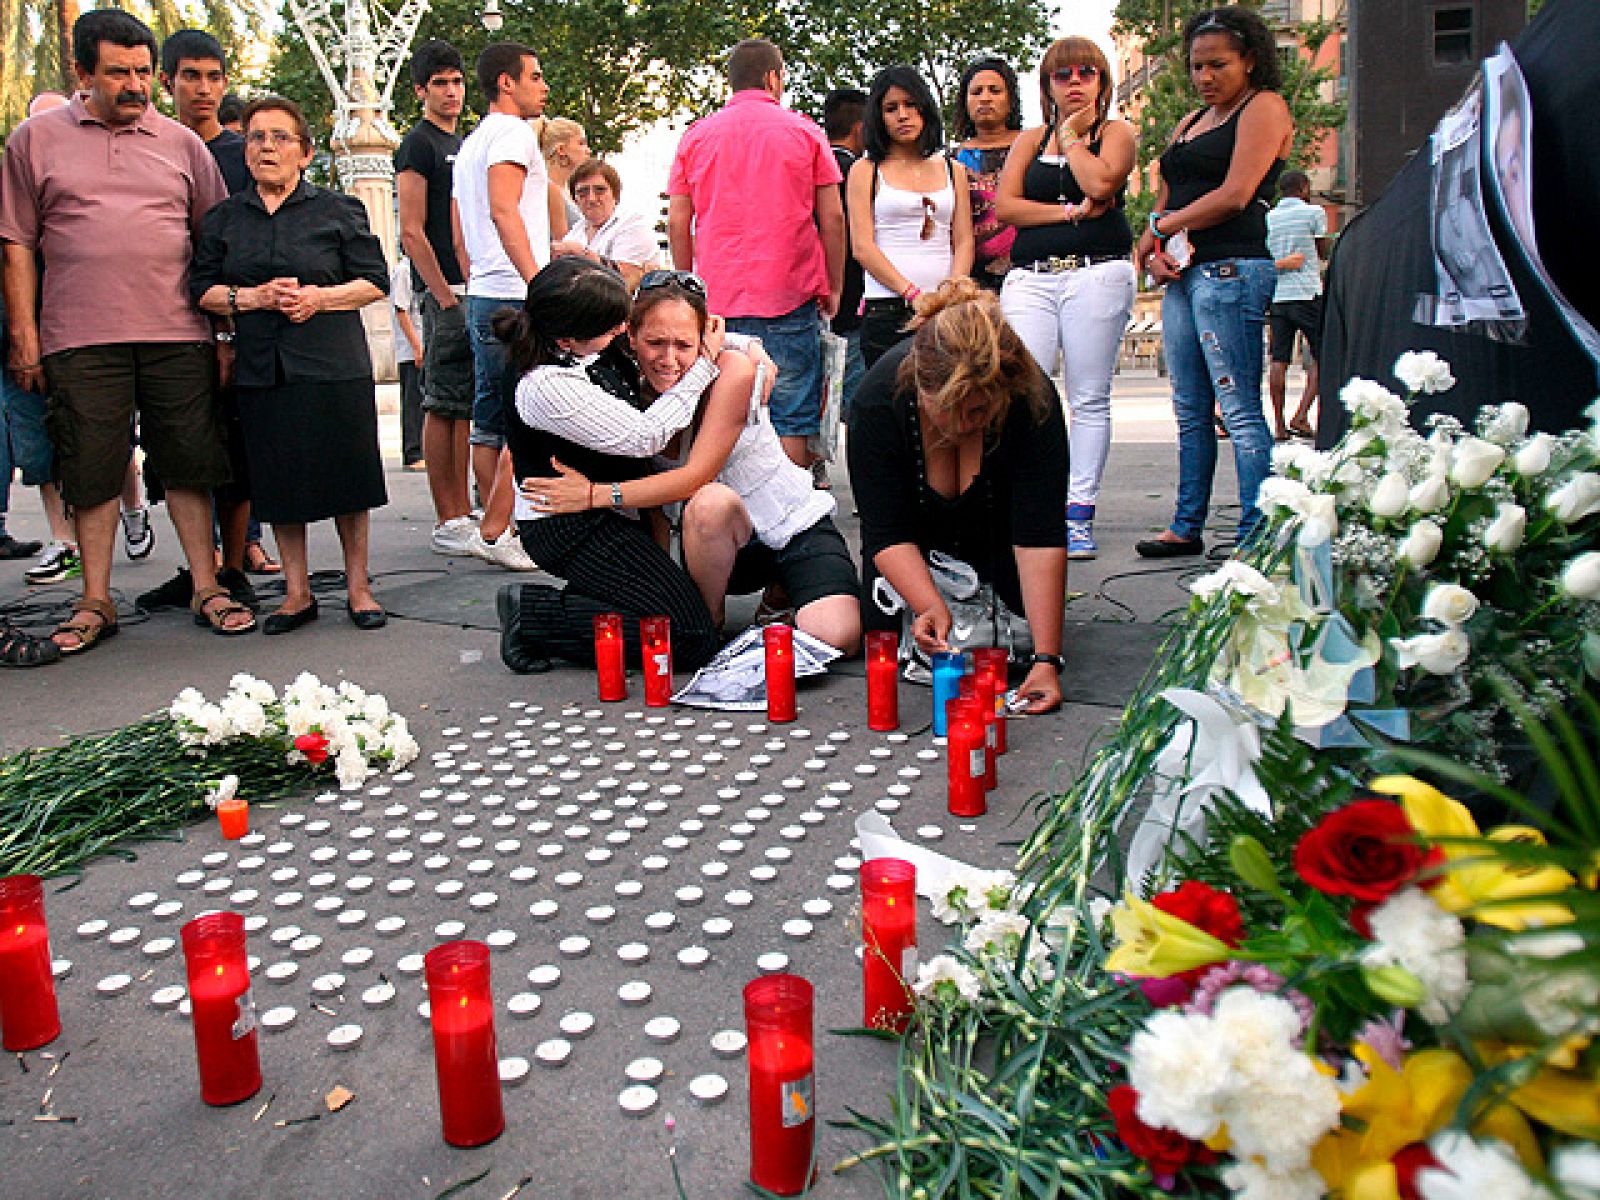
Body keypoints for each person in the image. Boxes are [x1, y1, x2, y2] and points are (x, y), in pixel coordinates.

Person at [0, 9, 239, 652]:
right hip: (79, 335)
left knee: (190, 462)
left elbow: (212, 244)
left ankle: (207, 585)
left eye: (142, 72)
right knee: (92, 468)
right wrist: (23, 335)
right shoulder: (34, 140)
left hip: (178, 333)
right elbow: (16, 242)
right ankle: (96, 600)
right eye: (118, 73)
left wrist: (223, 334)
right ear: (83, 74)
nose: (135, 85)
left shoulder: (182, 144)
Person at [520, 270, 862, 653]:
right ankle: (708, 625)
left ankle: (779, 594)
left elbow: (694, 476)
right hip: (717, 543)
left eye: (684, 345)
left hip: (790, 525)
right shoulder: (622, 379)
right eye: (655, 343)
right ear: (629, 337)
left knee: (837, 637)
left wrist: (593, 494)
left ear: (704, 341)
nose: (668, 359)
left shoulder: (732, 370)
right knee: (710, 507)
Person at [190, 96, 391, 634]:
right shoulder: (225, 219)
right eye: (257, 137)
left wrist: (319, 298)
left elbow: (375, 281)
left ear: (304, 152)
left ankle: (358, 587)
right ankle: (296, 592)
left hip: (333, 362)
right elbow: (201, 289)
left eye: (281, 137)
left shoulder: (338, 210)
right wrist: (252, 298)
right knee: (278, 480)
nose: (267, 147)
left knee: (349, 476)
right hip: (263, 366)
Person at [491, 258, 728, 674]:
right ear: (568, 338)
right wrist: (706, 364)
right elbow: (645, 436)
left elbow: (676, 334)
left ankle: (587, 604)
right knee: (690, 639)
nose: (623, 329)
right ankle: (534, 614)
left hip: (605, 510)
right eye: (613, 325)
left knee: (677, 618)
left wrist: (748, 351)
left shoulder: (589, 344)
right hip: (569, 525)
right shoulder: (543, 384)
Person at [848, 278, 1068, 714]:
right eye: (951, 409)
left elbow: (1039, 534)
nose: (966, 424)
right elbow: (886, 531)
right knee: (889, 634)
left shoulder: (1032, 398)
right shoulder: (877, 401)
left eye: (981, 409)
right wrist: (928, 604)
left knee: (1014, 643)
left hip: (1000, 556)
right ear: (920, 387)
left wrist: (1047, 659)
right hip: (910, 560)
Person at [1134, 5, 1292, 557]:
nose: (1205, 77)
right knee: (1190, 406)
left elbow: (1236, 194)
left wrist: (1163, 228)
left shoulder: (1263, 107)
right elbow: (1165, 196)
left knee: (1239, 407)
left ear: (1249, 60)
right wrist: (1153, 249)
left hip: (1232, 267)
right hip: (1183, 273)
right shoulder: (1189, 122)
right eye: (1197, 66)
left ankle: (1257, 533)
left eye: (1217, 65)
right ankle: (1186, 524)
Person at [145, 27, 278, 608]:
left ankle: (235, 561)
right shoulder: (152, 144)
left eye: (214, 77)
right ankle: (200, 568)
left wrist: (230, 327)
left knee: (236, 445)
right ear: (166, 81)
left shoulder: (240, 155)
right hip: (164, 319)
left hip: (234, 320)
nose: (203, 88)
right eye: (190, 77)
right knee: (178, 450)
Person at [667, 38, 846, 469]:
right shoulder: (806, 132)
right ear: (773, 78)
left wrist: (688, 287)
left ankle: (728, 507)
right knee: (790, 415)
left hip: (717, 301)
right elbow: (833, 218)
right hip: (790, 294)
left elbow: (678, 221)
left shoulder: (697, 136)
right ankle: (790, 508)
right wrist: (835, 285)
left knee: (723, 416)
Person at [996, 36, 1137, 561]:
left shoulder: (1114, 132)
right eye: (1062, 74)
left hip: (1095, 273)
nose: (1074, 82)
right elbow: (1007, 207)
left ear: (1102, 80)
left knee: (1089, 395)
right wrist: (1070, 213)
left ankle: (1078, 512)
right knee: (1024, 390)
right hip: (1032, 276)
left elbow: (1101, 183)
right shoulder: (1030, 140)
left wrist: (1073, 138)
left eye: (1086, 72)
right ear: (1047, 85)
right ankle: (1032, 505)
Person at [451, 41, 556, 572]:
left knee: (491, 415)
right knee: (526, 414)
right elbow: (502, 208)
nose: (543, 86)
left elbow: (461, 228)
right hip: (514, 291)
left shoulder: (472, 142)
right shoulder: (513, 133)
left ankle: (491, 527)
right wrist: (540, 283)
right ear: (506, 82)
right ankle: (501, 528)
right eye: (535, 76)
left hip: (486, 290)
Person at [395, 40, 478, 557]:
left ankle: (462, 510)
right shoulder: (418, 145)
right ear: (421, 90)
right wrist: (444, 296)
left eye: (457, 82)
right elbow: (411, 229)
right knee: (443, 405)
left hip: (473, 288)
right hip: (444, 292)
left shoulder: (463, 142)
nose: (451, 92)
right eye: (440, 83)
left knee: (463, 407)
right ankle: (448, 516)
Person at [849, 65, 974, 369]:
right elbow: (862, 247)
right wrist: (913, 295)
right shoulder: (866, 170)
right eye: (891, 108)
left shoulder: (953, 169)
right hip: (887, 309)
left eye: (910, 104)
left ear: (925, 108)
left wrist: (950, 294)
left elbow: (964, 240)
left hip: (947, 310)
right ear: (879, 117)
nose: (902, 115)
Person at [952, 56, 1024, 292]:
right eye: (976, 92)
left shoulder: (1032, 147)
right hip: (973, 280)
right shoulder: (952, 160)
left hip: (1030, 273)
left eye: (995, 90)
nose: (985, 98)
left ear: (1010, 99)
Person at [1265, 169, 1327, 441]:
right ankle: (1302, 414)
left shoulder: (1269, 218)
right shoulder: (1314, 213)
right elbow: (1322, 251)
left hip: (1278, 296)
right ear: (1303, 187)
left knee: (1279, 360)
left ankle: (1279, 425)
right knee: (1322, 356)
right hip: (1307, 292)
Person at [823, 87, 868, 419]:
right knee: (853, 407)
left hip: (810, 304)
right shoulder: (858, 174)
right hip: (852, 304)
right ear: (860, 128)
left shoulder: (811, 170)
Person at [550, 160, 660, 290]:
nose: (591, 198)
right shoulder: (576, 232)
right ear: (575, 200)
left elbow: (624, 280)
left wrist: (580, 253)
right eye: (583, 192)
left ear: (615, 195)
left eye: (600, 190)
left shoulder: (633, 224)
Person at [391, 255, 426, 469]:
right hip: (412, 348)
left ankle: (423, 449)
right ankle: (413, 452)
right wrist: (415, 345)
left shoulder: (420, 269)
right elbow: (401, 310)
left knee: (423, 400)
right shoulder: (404, 270)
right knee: (413, 401)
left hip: (424, 344)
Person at [540, 116, 588, 231]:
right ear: (561, 149)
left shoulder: (570, 191)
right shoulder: (549, 190)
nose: (588, 150)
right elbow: (562, 239)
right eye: (581, 143)